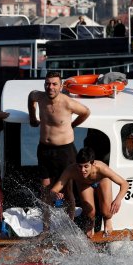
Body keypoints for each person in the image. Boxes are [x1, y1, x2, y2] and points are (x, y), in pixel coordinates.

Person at [28, 71, 90, 223]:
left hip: (65, 151)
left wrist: (72, 125)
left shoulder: (68, 103)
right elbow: (31, 97)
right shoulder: (40, 97)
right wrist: (32, 117)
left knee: (68, 190)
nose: (51, 87)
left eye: (54, 84)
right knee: (45, 190)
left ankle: (70, 224)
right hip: (44, 149)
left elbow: (86, 112)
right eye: (48, 83)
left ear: (61, 86)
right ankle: (46, 227)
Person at [50, 147, 129, 238]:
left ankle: (107, 219)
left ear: (93, 164)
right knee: (89, 211)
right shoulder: (71, 170)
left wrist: (118, 199)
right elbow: (53, 190)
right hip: (84, 183)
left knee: (107, 211)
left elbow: (125, 184)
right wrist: (55, 194)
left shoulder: (101, 168)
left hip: (101, 180)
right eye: (80, 166)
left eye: (86, 166)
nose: (82, 170)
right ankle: (91, 223)